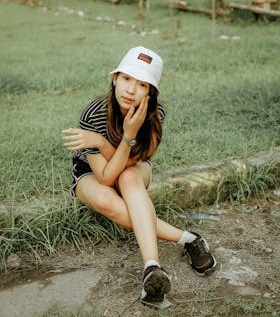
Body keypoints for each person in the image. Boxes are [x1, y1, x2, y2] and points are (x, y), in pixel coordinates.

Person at [62, 46, 216, 304]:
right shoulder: (93, 114)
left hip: (134, 166)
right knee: (105, 200)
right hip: (92, 171)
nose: (131, 90)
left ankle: (151, 266)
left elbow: (133, 161)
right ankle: (189, 239)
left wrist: (120, 137)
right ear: (115, 78)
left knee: (129, 177)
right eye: (126, 79)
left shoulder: (154, 114)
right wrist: (107, 142)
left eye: (142, 84)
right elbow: (105, 177)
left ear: (150, 92)